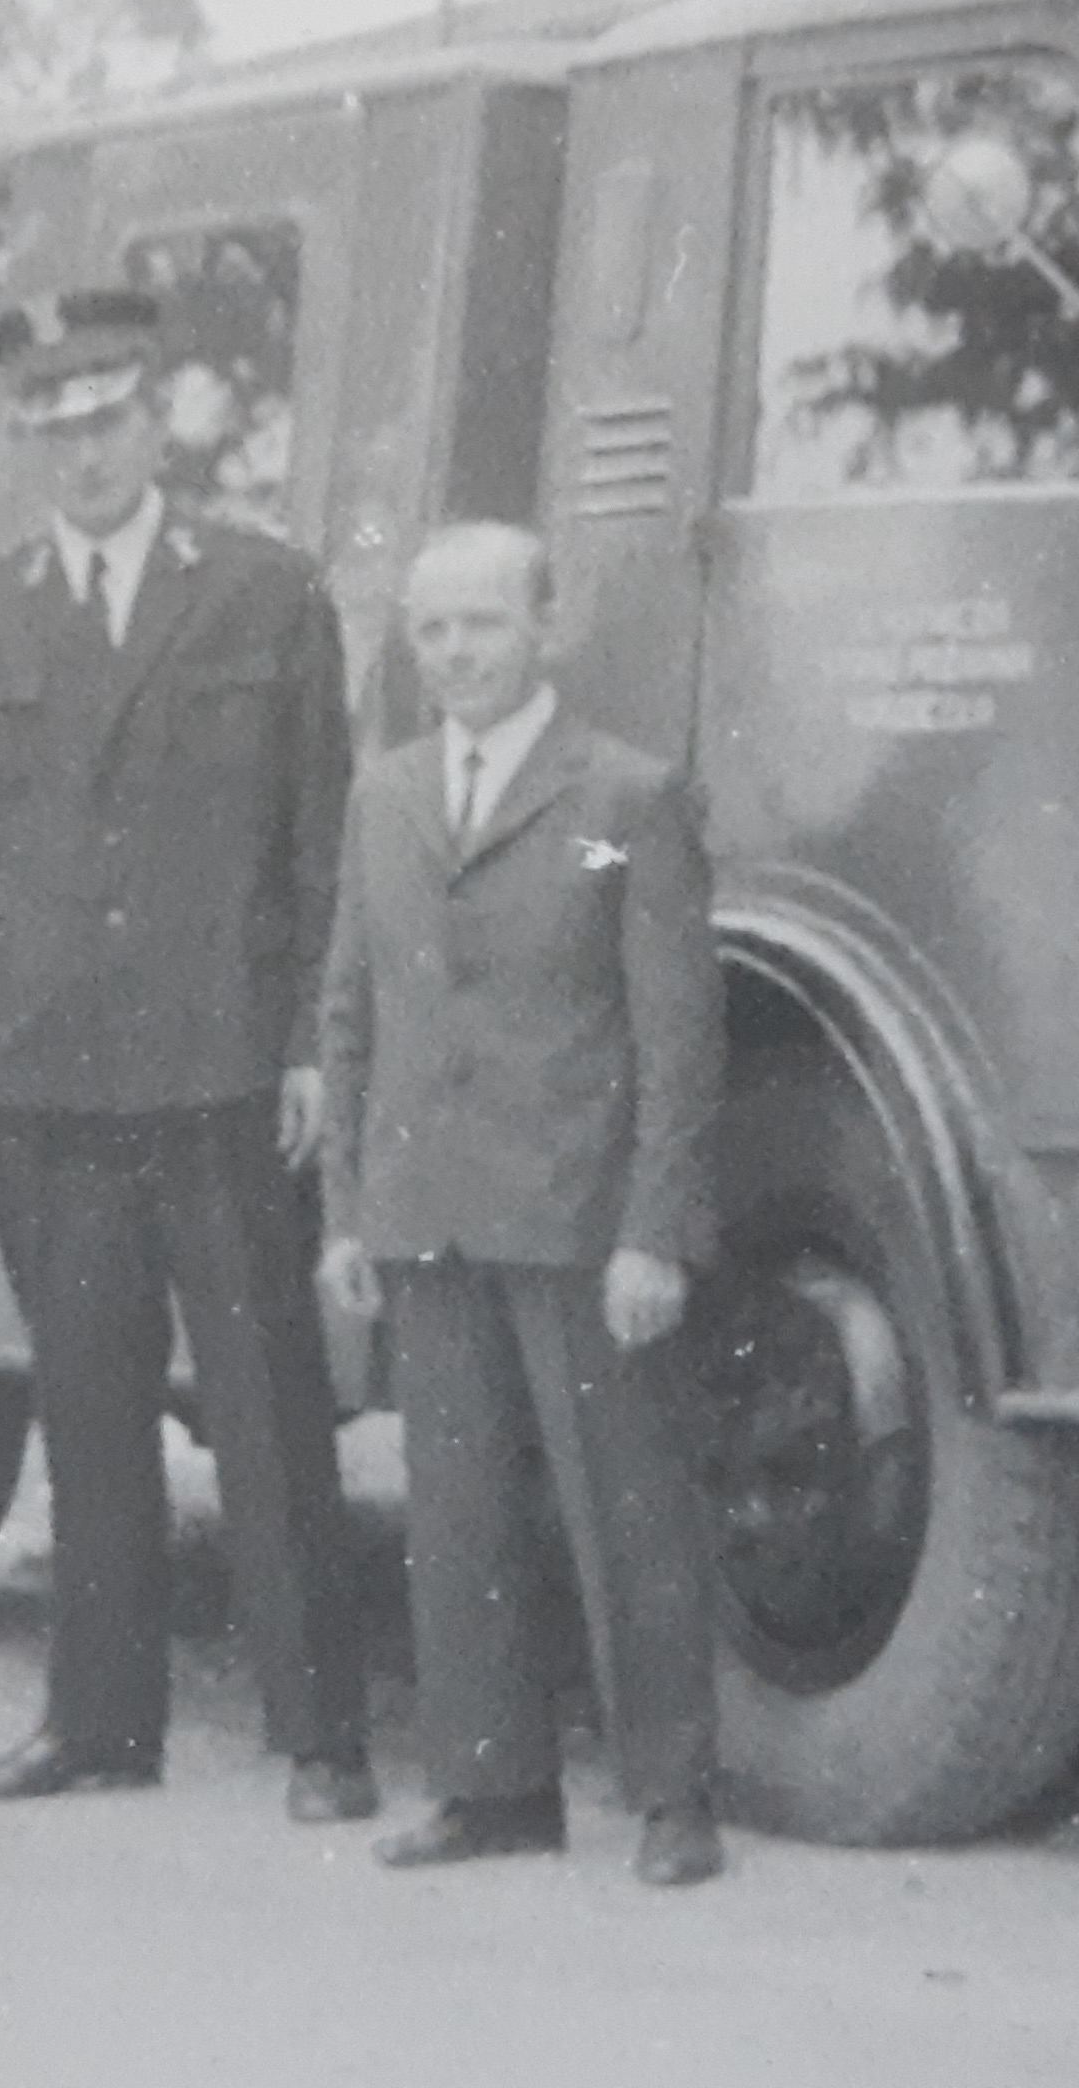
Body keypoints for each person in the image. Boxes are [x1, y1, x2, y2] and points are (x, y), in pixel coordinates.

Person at [0, 288, 376, 1824]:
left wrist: (313, 1040)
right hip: (46, 1074)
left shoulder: (261, 590)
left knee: (266, 1407)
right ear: (25, 441)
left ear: (155, 418)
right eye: (53, 430)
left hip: (221, 1069)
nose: (84, 455)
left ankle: (322, 1739)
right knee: (86, 1411)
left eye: (105, 422)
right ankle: (99, 1724)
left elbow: (325, 850)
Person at [314, 523, 728, 1887]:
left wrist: (654, 1234)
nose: (455, 654)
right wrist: (348, 1217)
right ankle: (493, 1790)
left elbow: (678, 1042)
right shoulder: (384, 793)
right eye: (431, 631)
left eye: (482, 625)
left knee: (627, 1514)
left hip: (577, 1219)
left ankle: (674, 1797)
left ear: (545, 628)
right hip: (429, 1211)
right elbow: (349, 1009)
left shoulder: (626, 797)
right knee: (457, 1511)